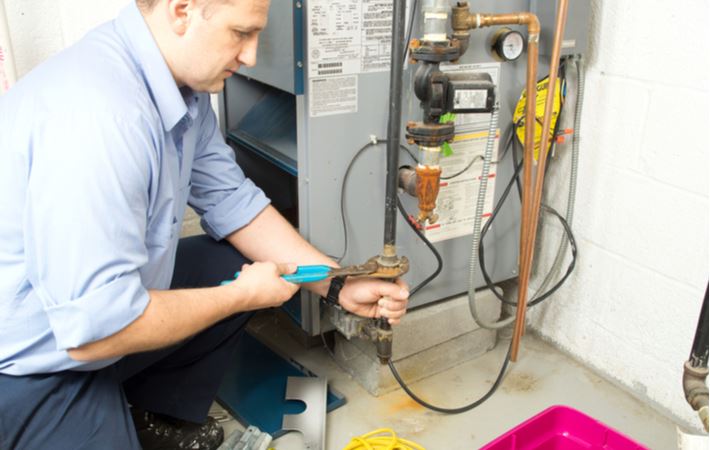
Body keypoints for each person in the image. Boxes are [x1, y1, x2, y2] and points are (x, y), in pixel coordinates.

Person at [0, 0, 410, 448]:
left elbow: (233, 202)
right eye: (241, 33)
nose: (251, 55)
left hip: (91, 319)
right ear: (182, 11)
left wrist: (337, 285)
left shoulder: (182, 92)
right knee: (231, 285)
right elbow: (94, 331)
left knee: (227, 259)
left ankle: (153, 413)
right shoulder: (102, 119)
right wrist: (237, 297)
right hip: (30, 365)